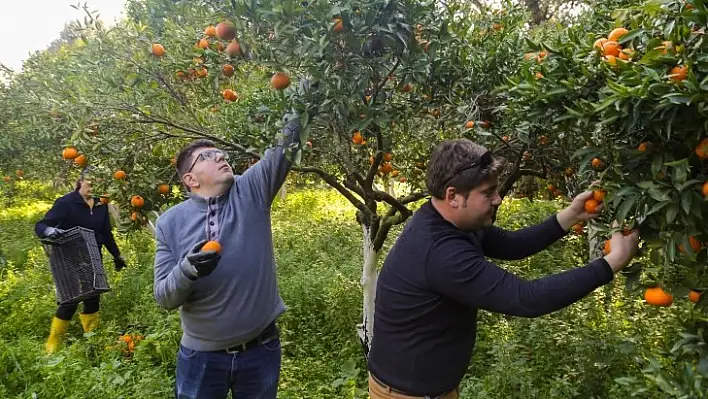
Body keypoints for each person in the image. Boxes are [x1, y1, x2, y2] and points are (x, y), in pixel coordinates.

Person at [367, 138, 640, 399]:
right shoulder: (440, 251)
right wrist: (611, 262)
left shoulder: (453, 222)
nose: (498, 199)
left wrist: (570, 215)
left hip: (428, 389)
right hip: (407, 394)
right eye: (487, 193)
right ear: (453, 196)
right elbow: (526, 298)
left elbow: (511, 245)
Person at [153, 114, 301, 399]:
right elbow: (164, 297)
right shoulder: (169, 223)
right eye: (208, 156)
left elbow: (285, 146)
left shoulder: (251, 191)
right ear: (190, 179)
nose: (221, 158)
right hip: (201, 357)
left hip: (260, 349)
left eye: (222, 154)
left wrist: (310, 86)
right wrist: (187, 270)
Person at [35, 173, 127, 354]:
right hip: (68, 255)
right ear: (79, 183)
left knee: (93, 296)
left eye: (98, 184)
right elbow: (40, 225)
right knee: (70, 299)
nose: (93, 187)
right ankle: (52, 347)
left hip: (92, 255)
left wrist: (117, 255)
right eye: (90, 183)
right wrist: (49, 230)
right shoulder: (66, 203)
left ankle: (94, 341)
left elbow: (106, 233)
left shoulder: (101, 205)